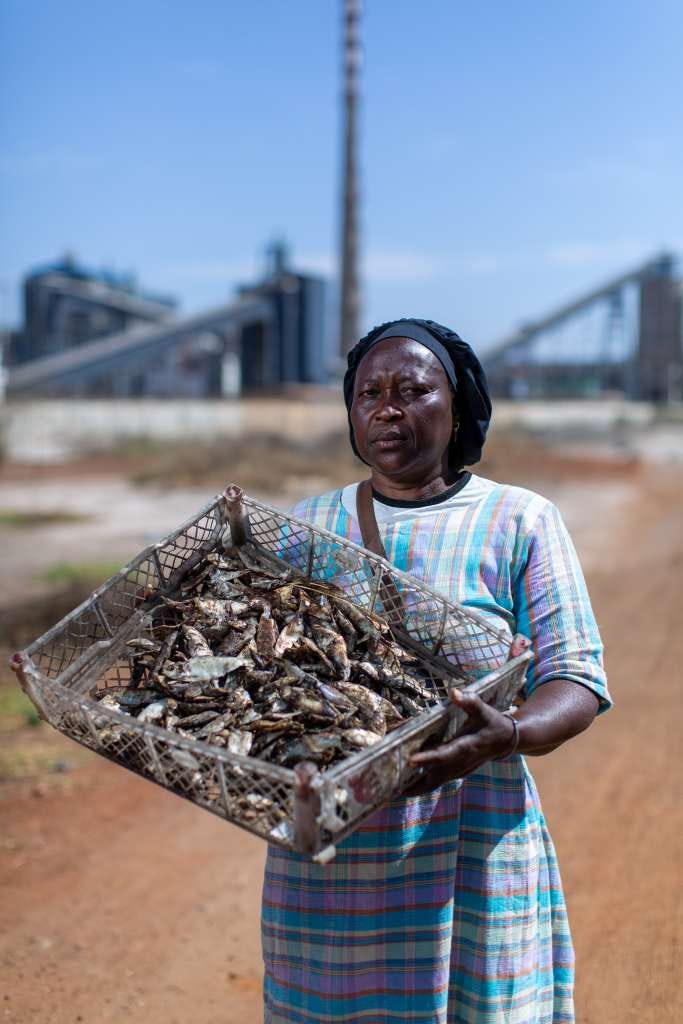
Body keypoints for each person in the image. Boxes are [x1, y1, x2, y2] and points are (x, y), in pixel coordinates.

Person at [262, 318, 611, 1024]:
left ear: (456, 409)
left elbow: (575, 677)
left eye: (412, 390)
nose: (386, 409)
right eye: (368, 393)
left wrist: (508, 733)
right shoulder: (310, 524)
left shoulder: (520, 520)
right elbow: (263, 679)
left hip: (472, 841)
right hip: (339, 854)